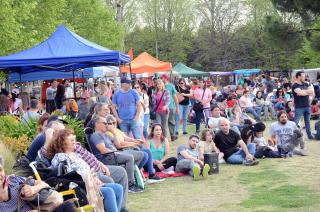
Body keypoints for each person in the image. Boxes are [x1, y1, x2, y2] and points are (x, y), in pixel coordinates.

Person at [47, 129, 123, 212]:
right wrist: (90, 180)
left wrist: (94, 179)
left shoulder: (75, 155)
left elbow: (87, 171)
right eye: (71, 140)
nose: (74, 142)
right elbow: (68, 176)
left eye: (74, 139)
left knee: (118, 188)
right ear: (62, 143)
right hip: (79, 188)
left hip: (90, 184)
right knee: (108, 191)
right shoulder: (60, 157)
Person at [104, 115, 164, 184]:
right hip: (122, 150)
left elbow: (126, 138)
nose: (114, 125)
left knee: (147, 151)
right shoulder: (108, 133)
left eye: (115, 123)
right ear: (107, 124)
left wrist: (135, 140)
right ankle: (135, 173)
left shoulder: (116, 130)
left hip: (128, 148)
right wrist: (133, 144)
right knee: (144, 155)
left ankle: (151, 174)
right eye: (111, 123)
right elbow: (119, 144)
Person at [89, 116, 143, 193]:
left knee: (140, 154)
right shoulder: (96, 135)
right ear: (97, 124)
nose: (107, 125)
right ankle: (130, 185)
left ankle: (130, 176)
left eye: (107, 123)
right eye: (105, 123)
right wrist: (116, 153)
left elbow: (117, 145)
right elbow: (103, 150)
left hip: (116, 153)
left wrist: (113, 132)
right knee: (130, 158)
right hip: (108, 157)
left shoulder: (106, 135)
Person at [0, 155, 69, 212]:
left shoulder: (13, 180)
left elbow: (44, 184)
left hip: (41, 208)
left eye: (0, 170)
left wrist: (33, 189)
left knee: (68, 206)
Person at [292, 71, 315, 140]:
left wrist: (303, 92)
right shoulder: (295, 85)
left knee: (307, 122)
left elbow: (311, 92)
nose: (304, 77)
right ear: (299, 77)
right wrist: (306, 92)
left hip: (307, 106)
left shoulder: (306, 84)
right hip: (299, 107)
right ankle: (291, 136)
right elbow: (301, 93)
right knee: (295, 123)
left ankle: (309, 136)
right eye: (303, 76)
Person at [160, 74, 179, 141]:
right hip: (161, 108)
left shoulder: (170, 86)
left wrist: (177, 108)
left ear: (166, 78)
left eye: (162, 78)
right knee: (163, 123)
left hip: (170, 106)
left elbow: (175, 97)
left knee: (171, 122)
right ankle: (163, 137)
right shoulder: (159, 86)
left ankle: (172, 135)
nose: (161, 79)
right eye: (161, 78)